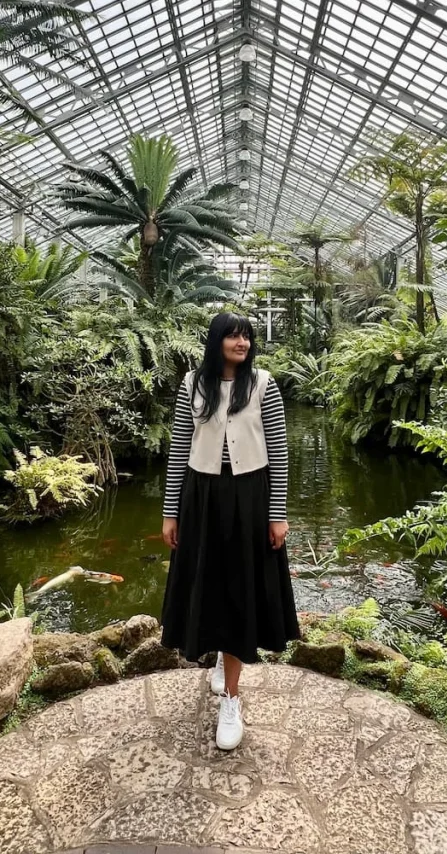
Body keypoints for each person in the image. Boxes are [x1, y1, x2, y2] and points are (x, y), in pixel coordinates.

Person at [160, 311, 301, 750]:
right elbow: (180, 447)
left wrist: (277, 514)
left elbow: (278, 453)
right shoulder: (193, 384)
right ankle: (222, 659)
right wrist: (171, 512)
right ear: (217, 339)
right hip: (201, 496)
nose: (242, 342)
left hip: (250, 497)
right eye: (234, 335)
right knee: (209, 581)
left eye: (247, 336)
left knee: (240, 586)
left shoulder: (262, 384)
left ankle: (232, 700)